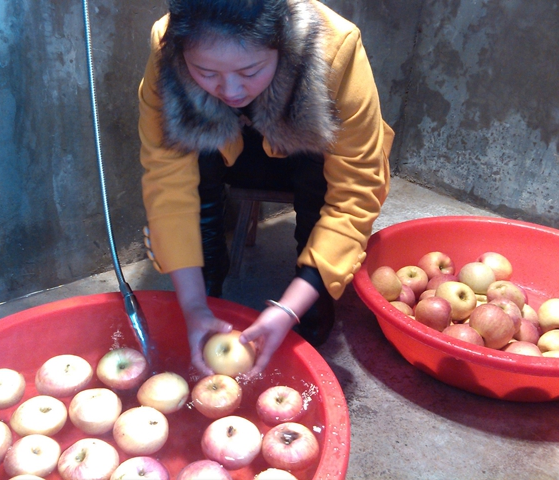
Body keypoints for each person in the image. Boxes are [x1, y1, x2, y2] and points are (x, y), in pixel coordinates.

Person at [138, 0, 394, 377]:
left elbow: (356, 187)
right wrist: (192, 305)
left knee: (322, 174)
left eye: (250, 71)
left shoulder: (334, 47)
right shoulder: (168, 43)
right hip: (232, 154)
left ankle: (312, 287)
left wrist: (291, 307)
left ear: (283, 43)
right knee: (190, 145)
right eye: (205, 72)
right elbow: (167, 180)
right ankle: (207, 277)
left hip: (308, 158)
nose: (230, 89)